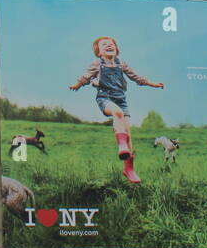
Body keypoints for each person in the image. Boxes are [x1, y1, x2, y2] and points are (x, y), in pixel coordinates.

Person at [69, 36, 164, 183]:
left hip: (121, 99)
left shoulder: (121, 64)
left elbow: (136, 77)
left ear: (117, 49)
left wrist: (153, 84)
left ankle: (129, 169)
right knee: (117, 113)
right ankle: (121, 145)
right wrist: (77, 85)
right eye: (104, 45)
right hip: (105, 97)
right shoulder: (97, 64)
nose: (109, 45)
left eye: (111, 44)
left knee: (129, 138)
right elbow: (86, 76)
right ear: (99, 52)